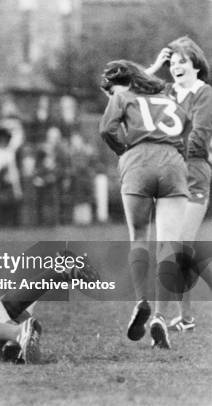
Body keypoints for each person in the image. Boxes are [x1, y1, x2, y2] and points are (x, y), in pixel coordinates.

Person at [99, 60, 191, 349]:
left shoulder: (121, 96)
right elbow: (186, 131)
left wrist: (123, 152)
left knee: (139, 236)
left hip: (138, 160)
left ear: (117, 84)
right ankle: (161, 316)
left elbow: (107, 129)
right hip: (172, 162)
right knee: (169, 243)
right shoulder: (167, 98)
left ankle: (142, 301)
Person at [146, 36, 212, 332]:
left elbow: (198, 139)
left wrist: (164, 145)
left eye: (181, 61)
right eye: (171, 63)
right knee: (175, 248)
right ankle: (183, 319)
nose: (175, 67)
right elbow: (128, 91)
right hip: (170, 174)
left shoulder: (205, 94)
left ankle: (163, 316)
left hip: (194, 174)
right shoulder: (168, 91)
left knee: (179, 247)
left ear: (196, 65)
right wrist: (154, 66)